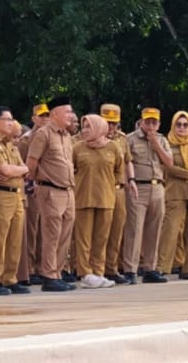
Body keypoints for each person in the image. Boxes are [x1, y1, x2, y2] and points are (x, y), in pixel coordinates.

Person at [26, 96, 77, 292]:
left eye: (71, 112)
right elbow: (32, 162)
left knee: (65, 234)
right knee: (52, 234)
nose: (71, 116)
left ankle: (57, 272)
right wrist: (32, 183)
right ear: (55, 114)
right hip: (50, 189)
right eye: (67, 112)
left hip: (68, 190)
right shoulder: (43, 134)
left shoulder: (66, 136)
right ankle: (48, 275)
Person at [72, 114, 127, 288]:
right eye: (84, 126)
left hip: (106, 198)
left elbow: (120, 169)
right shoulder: (78, 148)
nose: (85, 130)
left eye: (89, 127)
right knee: (83, 238)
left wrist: (113, 184)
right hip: (83, 197)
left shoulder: (113, 147)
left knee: (102, 238)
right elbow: (71, 169)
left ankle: (98, 271)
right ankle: (85, 273)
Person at [0, 113, 30, 294]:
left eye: (11, 119)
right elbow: (5, 169)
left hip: (16, 194)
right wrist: (17, 171)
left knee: (15, 240)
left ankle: (10, 278)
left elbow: (25, 168)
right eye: (7, 119)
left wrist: (17, 171)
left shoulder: (10, 144)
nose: (10, 123)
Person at [155, 111, 188, 280]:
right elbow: (171, 169)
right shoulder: (167, 144)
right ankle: (162, 267)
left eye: (186, 125)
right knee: (170, 231)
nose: (182, 128)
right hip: (175, 191)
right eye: (179, 124)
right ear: (173, 125)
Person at [123, 107, 173, 283]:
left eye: (154, 122)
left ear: (159, 124)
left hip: (157, 187)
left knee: (155, 228)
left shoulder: (162, 140)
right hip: (139, 187)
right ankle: (130, 269)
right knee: (134, 229)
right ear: (141, 121)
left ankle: (150, 268)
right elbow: (125, 163)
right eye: (148, 121)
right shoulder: (130, 139)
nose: (151, 125)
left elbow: (169, 163)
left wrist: (155, 143)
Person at [99, 104, 132, 282]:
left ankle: (111, 268)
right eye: (107, 123)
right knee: (100, 230)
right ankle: (96, 268)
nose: (111, 127)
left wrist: (131, 181)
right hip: (101, 189)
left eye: (114, 124)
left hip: (119, 189)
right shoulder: (90, 139)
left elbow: (128, 162)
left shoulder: (122, 139)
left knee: (117, 229)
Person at [17, 103, 49, 285]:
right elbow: (23, 165)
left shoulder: (52, 137)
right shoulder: (26, 140)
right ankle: (29, 268)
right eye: (41, 116)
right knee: (31, 228)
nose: (44, 119)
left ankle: (40, 266)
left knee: (44, 230)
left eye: (47, 116)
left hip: (48, 188)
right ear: (33, 118)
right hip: (32, 188)